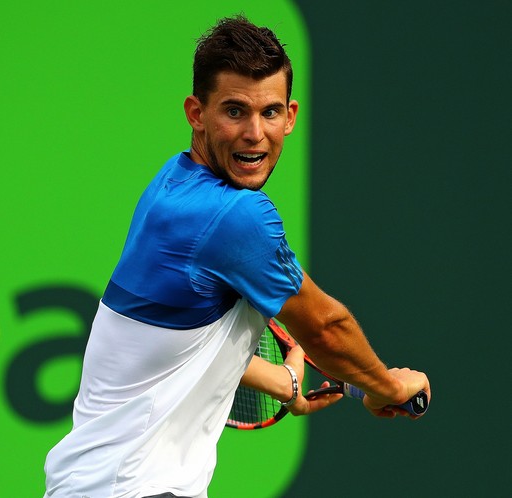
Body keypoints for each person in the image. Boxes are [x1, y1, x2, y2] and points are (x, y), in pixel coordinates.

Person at [43, 15, 431, 498]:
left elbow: (169, 350)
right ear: (196, 113)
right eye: (234, 111)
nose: (254, 133)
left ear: (291, 116)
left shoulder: (173, 185)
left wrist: (282, 381)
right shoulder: (233, 216)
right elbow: (325, 326)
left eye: (269, 113)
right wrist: (388, 388)